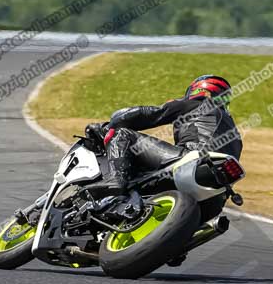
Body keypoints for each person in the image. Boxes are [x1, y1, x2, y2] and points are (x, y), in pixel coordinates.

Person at [87, 75, 242, 195]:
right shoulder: (236, 135)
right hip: (218, 190)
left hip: (192, 161)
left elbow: (146, 115)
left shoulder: (199, 103)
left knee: (123, 135)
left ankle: (116, 178)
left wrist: (108, 126)